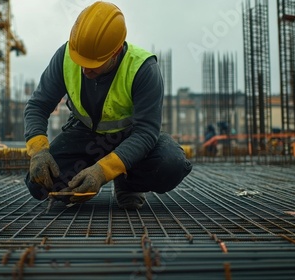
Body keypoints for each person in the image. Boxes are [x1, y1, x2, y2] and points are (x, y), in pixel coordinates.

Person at [24, 1, 192, 210]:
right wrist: (39, 151)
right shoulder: (65, 56)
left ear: (116, 52)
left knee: (170, 165)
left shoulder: (143, 69)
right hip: (85, 136)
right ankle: (82, 181)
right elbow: (37, 106)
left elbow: (145, 133)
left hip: (130, 139)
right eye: (81, 61)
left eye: (94, 64)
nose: (85, 70)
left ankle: (127, 182)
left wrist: (102, 172)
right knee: (39, 184)